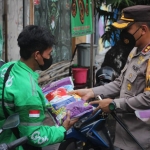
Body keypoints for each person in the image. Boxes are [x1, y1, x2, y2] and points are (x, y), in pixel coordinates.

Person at [69, 5, 150, 150]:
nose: (123, 34)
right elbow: (121, 83)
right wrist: (91, 92)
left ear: (143, 30)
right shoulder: (135, 51)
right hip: (124, 135)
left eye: (127, 30)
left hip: (142, 140)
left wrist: (114, 104)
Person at [0, 25, 77, 150]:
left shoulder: (8, 67)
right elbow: (34, 136)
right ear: (37, 55)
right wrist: (62, 130)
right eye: (49, 53)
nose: (50, 57)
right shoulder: (30, 92)